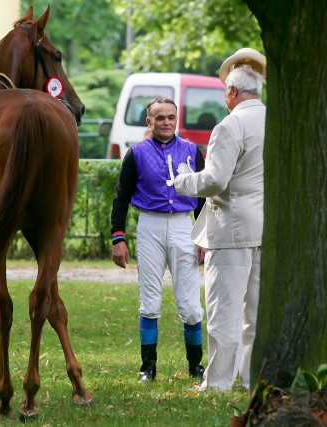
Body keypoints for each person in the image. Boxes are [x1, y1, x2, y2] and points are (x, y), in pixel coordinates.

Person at [172, 48, 266, 391]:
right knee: (253, 312)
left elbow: (214, 181)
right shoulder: (274, 119)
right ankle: (248, 377)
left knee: (223, 310)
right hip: (263, 225)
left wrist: (181, 181)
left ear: (232, 92)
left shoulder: (230, 125)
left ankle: (217, 383)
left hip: (230, 227)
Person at [110, 96, 206, 382]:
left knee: (190, 306)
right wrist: (118, 238)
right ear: (149, 121)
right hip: (150, 225)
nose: (166, 122)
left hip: (183, 227)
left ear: (177, 119)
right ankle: (148, 366)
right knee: (150, 301)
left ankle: (195, 365)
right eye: (160, 118)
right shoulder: (137, 153)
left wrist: (203, 238)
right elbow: (121, 198)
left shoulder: (191, 149)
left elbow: (203, 198)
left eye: (171, 117)